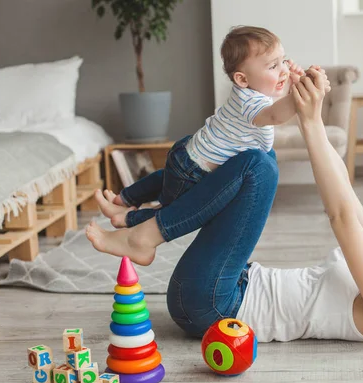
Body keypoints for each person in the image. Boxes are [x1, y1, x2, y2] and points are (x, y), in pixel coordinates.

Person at [86, 68, 363, 346]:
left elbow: (341, 217)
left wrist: (308, 122)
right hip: (228, 285)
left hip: (212, 308)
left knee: (257, 165)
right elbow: (347, 191)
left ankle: (145, 231)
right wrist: (313, 108)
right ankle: (146, 220)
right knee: (258, 158)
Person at [96, 26, 307, 230]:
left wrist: (290, 83)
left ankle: (123, 199)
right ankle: (127, 217)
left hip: (188, 155)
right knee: (176, 212)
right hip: (194, 172)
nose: (284, 71)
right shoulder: (252, 104)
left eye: (284, 61)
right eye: (273, 66)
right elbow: (276, 115)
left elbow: (275, 104)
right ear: (242, 79)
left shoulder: (248, 93)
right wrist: (300, 92)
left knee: (165, 177)